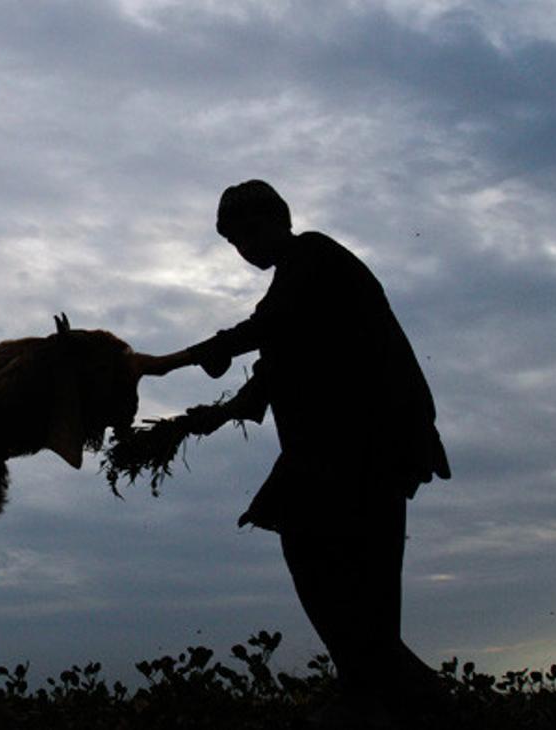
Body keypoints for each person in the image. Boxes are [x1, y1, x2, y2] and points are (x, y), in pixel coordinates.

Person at [145, 180, 451, 727]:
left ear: (279, 219)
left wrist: (173, 361)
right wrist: (210, 417)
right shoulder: (293, 282)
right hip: (335, 448)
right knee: (331, 561)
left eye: (250, 233)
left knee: (357, 571)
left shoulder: (315, 257)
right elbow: (273, 369)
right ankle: (382, 688)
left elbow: (268, 331)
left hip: (368, 441)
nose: (245, 249)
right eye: (235, 241)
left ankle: (379, 692)